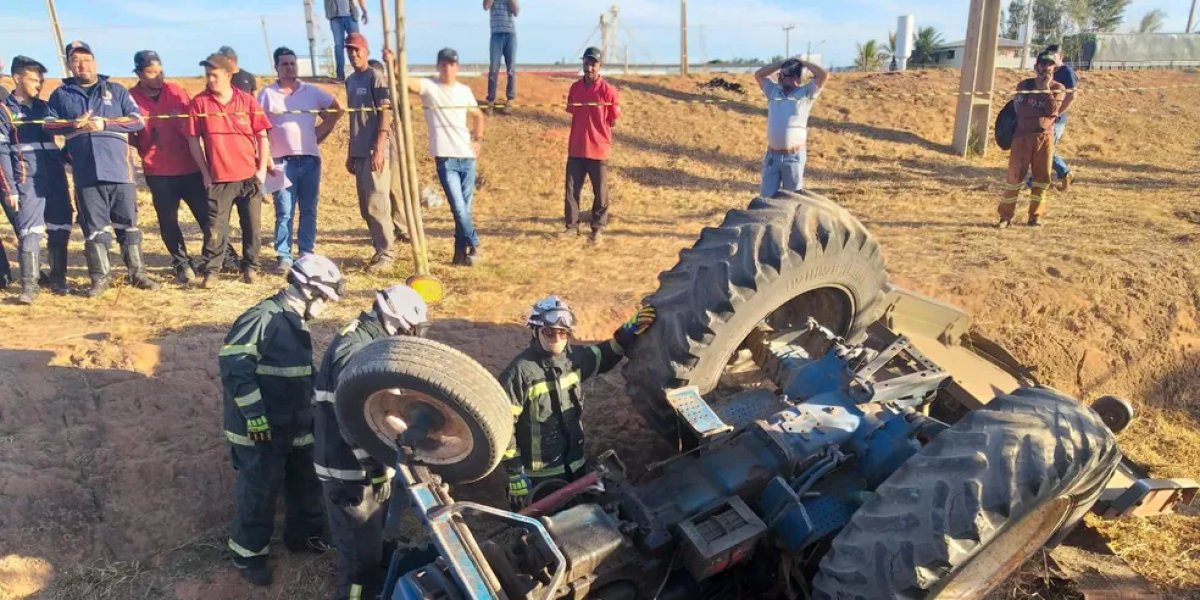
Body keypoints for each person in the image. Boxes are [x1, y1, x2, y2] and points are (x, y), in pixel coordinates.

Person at [219, 253, 345, 586]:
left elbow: (297, 374)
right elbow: (235, 367)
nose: (325, 306)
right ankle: (248, 555)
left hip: (295, 423)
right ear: (308, 290)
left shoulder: (293, 321)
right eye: (324, 298)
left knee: (305, 481)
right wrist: (255, 416)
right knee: (259, 491)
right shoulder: (263, 317)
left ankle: (303, 536)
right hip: (260, 430)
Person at [314, 284, 428, 600]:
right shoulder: (354, 350)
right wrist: (373, 464)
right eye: (410, 328)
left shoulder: (371, 340)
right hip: (348, 471)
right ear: (396, 320)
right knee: (359, 561)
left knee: (373, 543)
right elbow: (350, 417)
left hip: (361, 467)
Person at [500, 296, 655, 509]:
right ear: (535, 331)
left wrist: (628, 331)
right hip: (539, 477)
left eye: (563, 333)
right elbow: (503, 425)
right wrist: (515, 473)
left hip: (576, 466)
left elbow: (605, 354)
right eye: (550, 332)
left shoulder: (573, 360)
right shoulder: (519, 373)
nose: (557, 338)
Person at [46, 41, 158, 297]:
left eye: (86, 59)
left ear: (94, 61)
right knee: (94, 227)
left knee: (128, 224)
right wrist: (74, 124)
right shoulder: (61, 95)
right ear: (69, 65)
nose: (82, 65)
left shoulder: (116, 90)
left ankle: (137, 273)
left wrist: (105, 123)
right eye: (76, 61)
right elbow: (48, 125)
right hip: (86, 174)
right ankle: (100, 277)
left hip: (119, 171)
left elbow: (137, 120)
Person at [187, 52, 277, 287]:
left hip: (249, 176)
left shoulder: (247, 101)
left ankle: (251, 267)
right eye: (207, 75)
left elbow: (262, 135)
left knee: (252, 226)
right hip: (218, 178)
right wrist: (205, 172)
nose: (210, 79)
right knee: (215, 228)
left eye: (214, 75)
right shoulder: (199, 103)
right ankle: (212, 271)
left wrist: (261, 171)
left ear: (228, 75)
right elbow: (192, 140)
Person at [258, 46, 345, 275]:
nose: (289, 67)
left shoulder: (312, 92)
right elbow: (257, 127)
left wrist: (321, 131)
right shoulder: (266, 95)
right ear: (276, 68)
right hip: (281, 161)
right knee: (284, 210)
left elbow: (338, 109)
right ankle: (284, 257)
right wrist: (265, 157)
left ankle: (306, 253)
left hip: (309, 160)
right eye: (284, 64)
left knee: (308, 209)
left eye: (292, 63)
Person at [129, 50, 210, 285]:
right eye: (151, 72)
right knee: (168, 221)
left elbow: (194, 123)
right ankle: (182, 264)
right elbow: (129, 135)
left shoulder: (176, 91)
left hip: (190, 166)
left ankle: (217, 256)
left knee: (207, 216)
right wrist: (146, 148)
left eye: (160, 71)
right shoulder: (131, 98)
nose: (157, 76)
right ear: (139, 73)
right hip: (158, 171)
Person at [1, 55, 74, 302]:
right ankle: (29, 287)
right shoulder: (4, 111)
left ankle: (58, 280)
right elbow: (1, 153)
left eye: (41, 80)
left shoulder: (46, 108)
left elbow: (64, 132)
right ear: (17, 78)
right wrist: (9, 187)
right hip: (26, 179)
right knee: (29, 231)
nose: (39, 84)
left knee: (60, 225)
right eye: (34, 79)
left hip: (54, 176)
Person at [407, 47, 484, 266]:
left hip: (467, 158)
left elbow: (478, 115)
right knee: (459, 208)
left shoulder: (464, 91)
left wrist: (478, 139)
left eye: (452, 64)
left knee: (464, 211)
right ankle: (475, 244)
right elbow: (408, 83)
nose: (448, 68)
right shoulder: (430, 87)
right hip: (446, 160)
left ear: (457, 67)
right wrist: (393, 65)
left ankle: (459, 254)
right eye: (444, 64)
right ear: (438, 66)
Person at [345, 33, 403, 271]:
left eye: (357, 49)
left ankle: (386, 254)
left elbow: (385, 114)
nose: (353, 54)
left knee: (377, 203)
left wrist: (379, 147)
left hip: (375, 151)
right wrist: (350, 151)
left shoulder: (376, 77)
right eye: (349, 50)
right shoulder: (350, 81)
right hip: (359, 152)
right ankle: (380, 248)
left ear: (366, 51)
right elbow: (354, 118)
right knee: (365, 207)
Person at [998, 52, 1064, 229]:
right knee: (1014, 177)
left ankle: (1035, 216)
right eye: (1042, 64)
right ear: (1036, 67)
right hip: (1021, 137)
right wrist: (1039, 111)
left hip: (1044, 139)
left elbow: (1052, 112)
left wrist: (1045, 91)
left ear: (1054, 68)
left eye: (1049, 65)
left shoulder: (1058, 88)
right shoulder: (1024, 85)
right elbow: (1020, 110)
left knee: (1041, 178)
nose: (1045, 68)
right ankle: (1005, 217)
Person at [563, 47, 619, 244]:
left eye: (593, 64)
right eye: (587, 63)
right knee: (571, 190)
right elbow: (572, 111)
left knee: (600, 192)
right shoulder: (575, 88)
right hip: (576, 148)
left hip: (598, 150)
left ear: (600, 65)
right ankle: (571, 227)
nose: (589, 68)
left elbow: (613, 120)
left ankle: (597, 229)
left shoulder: (608, 92)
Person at [752, 55, 829, 197]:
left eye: (784, 75)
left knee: (792, 199)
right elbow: (758, 75)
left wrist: (803, 62)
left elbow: (823, 75)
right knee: (766, 200)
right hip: (772, 157)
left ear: (796, 79)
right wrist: (782, 63)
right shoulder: (773, 91)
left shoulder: (806, 93)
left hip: (793, 157)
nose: (780, 78)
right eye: (779, 75)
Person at [1043, 44, 1077, 191]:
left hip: (1057, 120)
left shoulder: (1066, 72)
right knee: (1044, 149)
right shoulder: (1047, 71)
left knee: (1047, 149)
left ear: (1061, 56)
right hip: (1045, 117)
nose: (1050, 59)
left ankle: (1063, 173)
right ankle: (1048, 177)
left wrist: (1058, 113)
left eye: (1053, 56)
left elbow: (1072, 96)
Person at [483, 0, 519, 112]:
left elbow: (516, 12)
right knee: (493, 69)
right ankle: (490, 101)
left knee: (511, 69)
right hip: (496, 36)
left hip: (510, 35)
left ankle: (510, 100)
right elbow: (486, 6)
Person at [324, 0, 369, 81]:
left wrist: (364, 11)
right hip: (335, 17)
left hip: (350, 16)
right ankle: (340, 75)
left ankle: (363, 73)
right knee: (338, 46)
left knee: (357, 44)